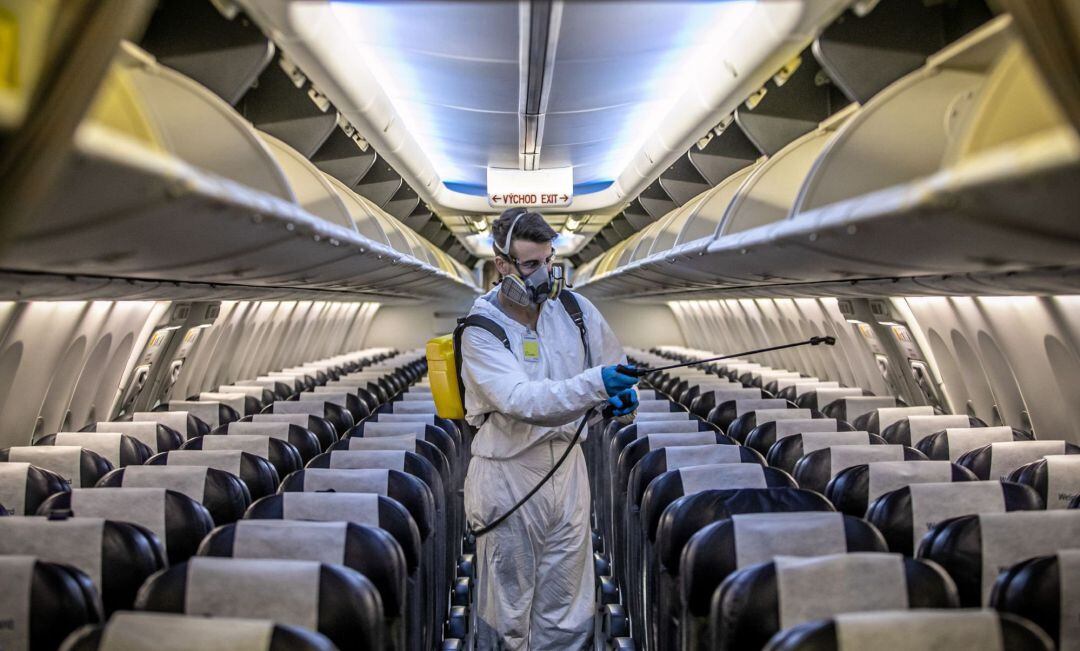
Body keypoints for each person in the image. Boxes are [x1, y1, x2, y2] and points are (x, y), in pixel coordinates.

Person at [460, 208, 639, 650]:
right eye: (531, 264)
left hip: (569, 471)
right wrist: (597, 385)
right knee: (507, 616)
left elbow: (609, 369)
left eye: (548, 260)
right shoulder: (481, 329)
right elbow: (523, 401)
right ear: (502, 265)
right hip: (508, 473)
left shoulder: (576, 310)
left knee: (568, 610)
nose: (545, 273)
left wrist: (617, 404)